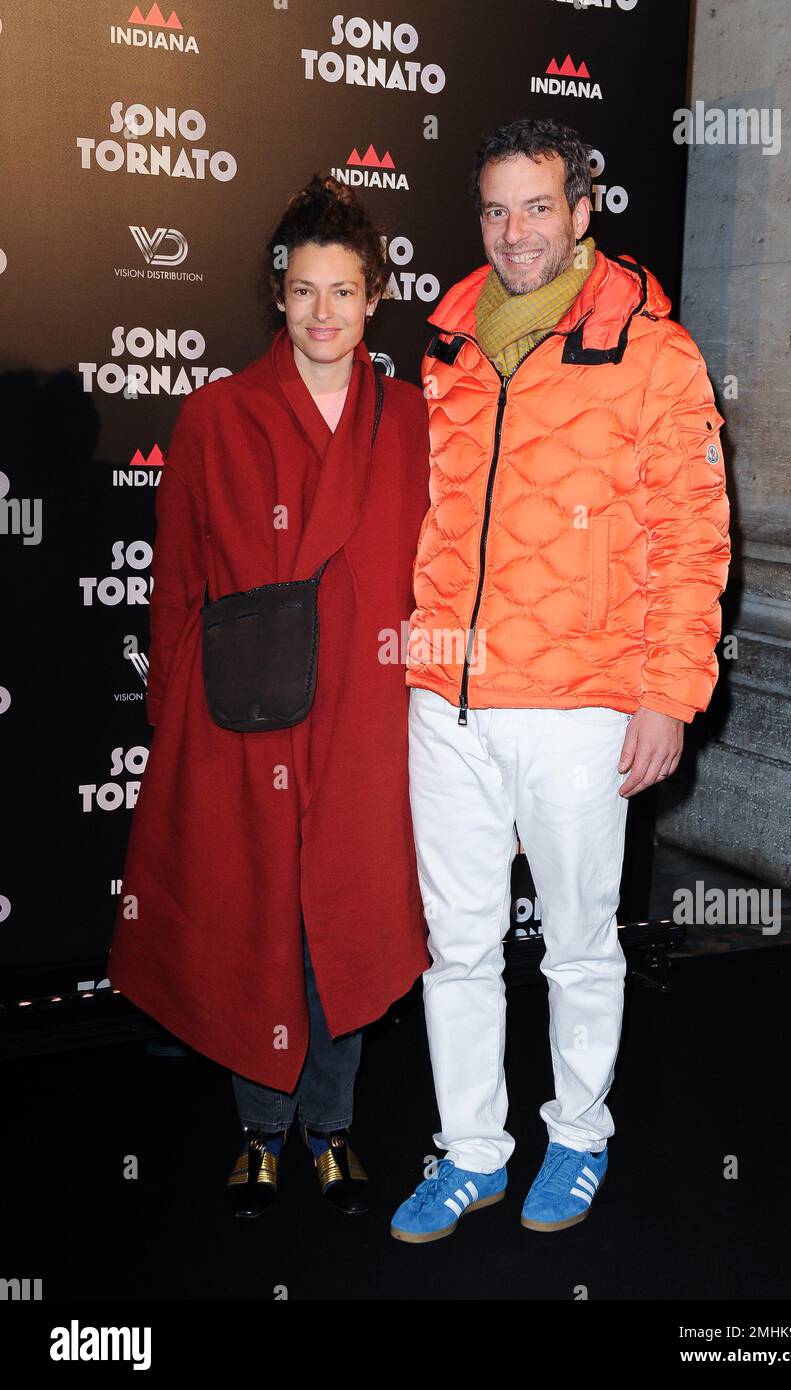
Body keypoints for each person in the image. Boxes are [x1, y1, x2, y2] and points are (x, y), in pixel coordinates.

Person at [391, 117, 731, 1242]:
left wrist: (667, 694)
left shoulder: (655, 351)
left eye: (537, 207)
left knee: (580, 946)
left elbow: (692, 537)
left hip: (582, 699)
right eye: (496, 210)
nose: (514, 231)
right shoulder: (445, 341)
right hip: (447, 699)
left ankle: (577, 1135)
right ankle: (470, 1152)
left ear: (582, 214)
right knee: (457, 949)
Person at [108, 175, 432, 1219]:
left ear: (374, 296)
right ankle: (260, 1129)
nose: (321, 313)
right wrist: (171, 718)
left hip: (367, 711)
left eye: (342, 291)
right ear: (277, 297)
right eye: (302, 291)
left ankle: (330, 1127)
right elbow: (175, 579)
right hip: (244, 714)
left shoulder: (415, 421)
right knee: (257, 917)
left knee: (342, 917)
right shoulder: (216, 415)